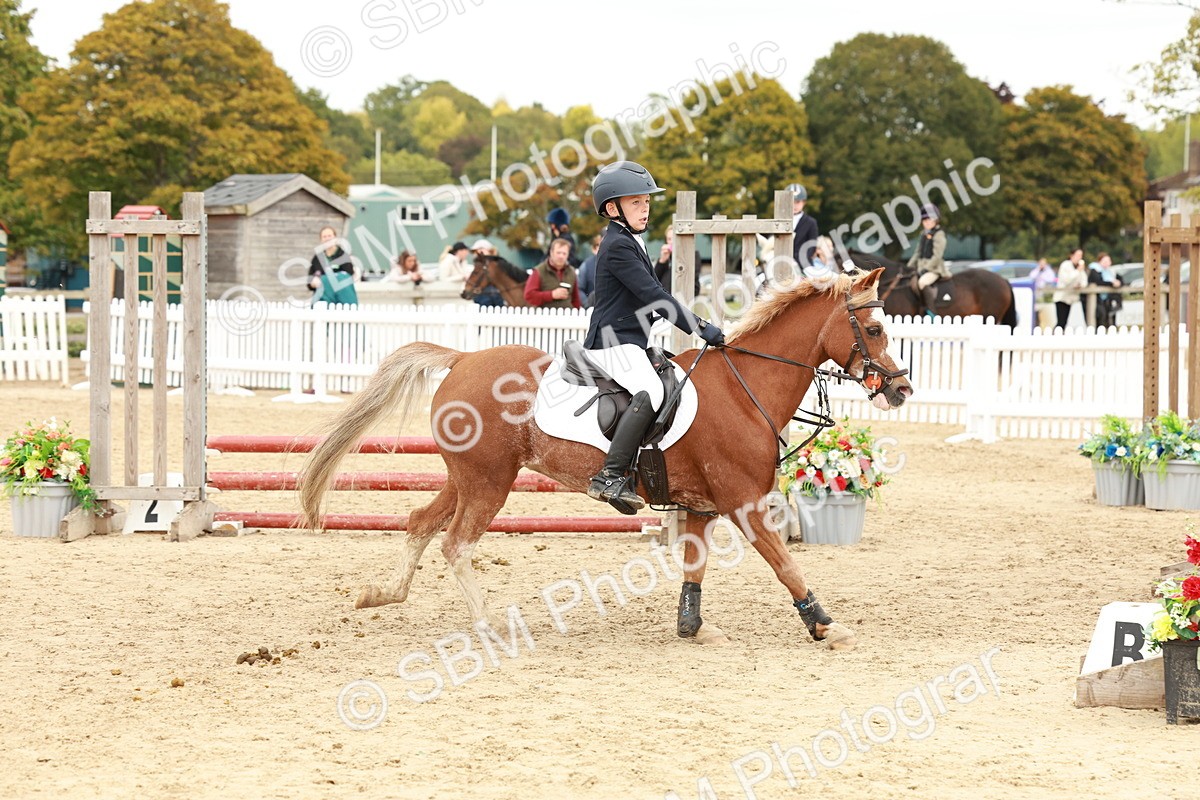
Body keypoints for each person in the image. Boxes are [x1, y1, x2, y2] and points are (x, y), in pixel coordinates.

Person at [583, 160, 725, 511]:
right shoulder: (617, 245)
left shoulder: (630, 240)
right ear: (612, 208)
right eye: (636, 202)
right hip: (612, 342)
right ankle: (610, 476)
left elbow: (650, 290)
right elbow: (654, 297)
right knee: (651, 391)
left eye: (646, 201)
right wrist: (701, 328)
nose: (645, 208)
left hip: (631, 340)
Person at [908, 203, 949, 316]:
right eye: (924, 220)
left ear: (935, 220)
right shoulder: (923, 234)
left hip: (934, 269)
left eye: (929, 219)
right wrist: (908, 267)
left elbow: (937, 256)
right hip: (921, 268)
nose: (926, 222)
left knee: (922, 282)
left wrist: (926, 269)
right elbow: (917, 253)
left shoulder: (939, 234)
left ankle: (931, 311)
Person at [308, 225, 358, 305]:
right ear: (321, 239)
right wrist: (313, 282)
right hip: (322, 300)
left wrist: (325, 280)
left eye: (329, 236)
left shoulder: (344, 256)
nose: (327, 238)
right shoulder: (317, 258)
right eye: (324, 236)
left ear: (335, 238)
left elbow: (348, 276)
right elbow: (310, 280)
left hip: (342, 301)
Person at [524, 237, 581, 309]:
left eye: (564, 253)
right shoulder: (538, 271)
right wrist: (551, 295)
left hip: (568, 314)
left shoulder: (572, 272)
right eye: (558, 253)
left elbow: (576, 300)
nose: (561, 256)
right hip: (544, 315)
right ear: (551, 252)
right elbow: (529, 296)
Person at [652, 225, 702, 296]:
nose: (671, 242)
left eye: (674, 238)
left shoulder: (693, 255)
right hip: (665, 298)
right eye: (669, 239)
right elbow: (654, 280)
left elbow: (692, 278)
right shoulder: (667, 257)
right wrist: (662, 261)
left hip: (684, 297)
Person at [1052, 248, 1088, 329]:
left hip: (1072, 298)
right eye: (1077, 255)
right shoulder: (1065, 265)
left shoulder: (1080, 268)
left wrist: (1080, 285)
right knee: (1061, 322)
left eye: (1081, 255)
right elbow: (1066, 280)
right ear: (1071, 255)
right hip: (1062, 298)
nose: (1079, 257)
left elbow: (1084, 281)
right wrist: (1077, 271)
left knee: (1066, 323)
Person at [788, 183, 819, 268]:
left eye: (797, 202)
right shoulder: (779, 221)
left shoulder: (811, 222)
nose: (794, 205)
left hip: (804, 264)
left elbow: (812, 245)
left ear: (804, 202)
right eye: (792, 202)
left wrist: (799, 261)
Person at [1088, 252, 1123, 328]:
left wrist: (1118, 283)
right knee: (1101, 316)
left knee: (1110, 317)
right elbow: (1099, 281)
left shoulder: (1111, 271)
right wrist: (1111, 283)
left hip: (1108, 299)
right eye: (1104, 261)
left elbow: (1120, 280)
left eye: (1108, 261)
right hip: (1098, 299)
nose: (1107, 263)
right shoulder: (1095, 270)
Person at [1029, 258, 1058, 328]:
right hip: (1037, 296)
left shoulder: (1049, 271)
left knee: (1047, 320)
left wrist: (1042, 277)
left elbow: (1051, 279)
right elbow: (1032, 276)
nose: (1042, 265)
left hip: (1046, 296)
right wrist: (1039, 270)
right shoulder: (1036, 270)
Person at [577, 233, 602, 307]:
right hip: (590, 308)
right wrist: (587, 304)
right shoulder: (586, 266)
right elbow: (579, 289)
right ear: (593, 249)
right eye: (599, 245)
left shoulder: (616, 263)